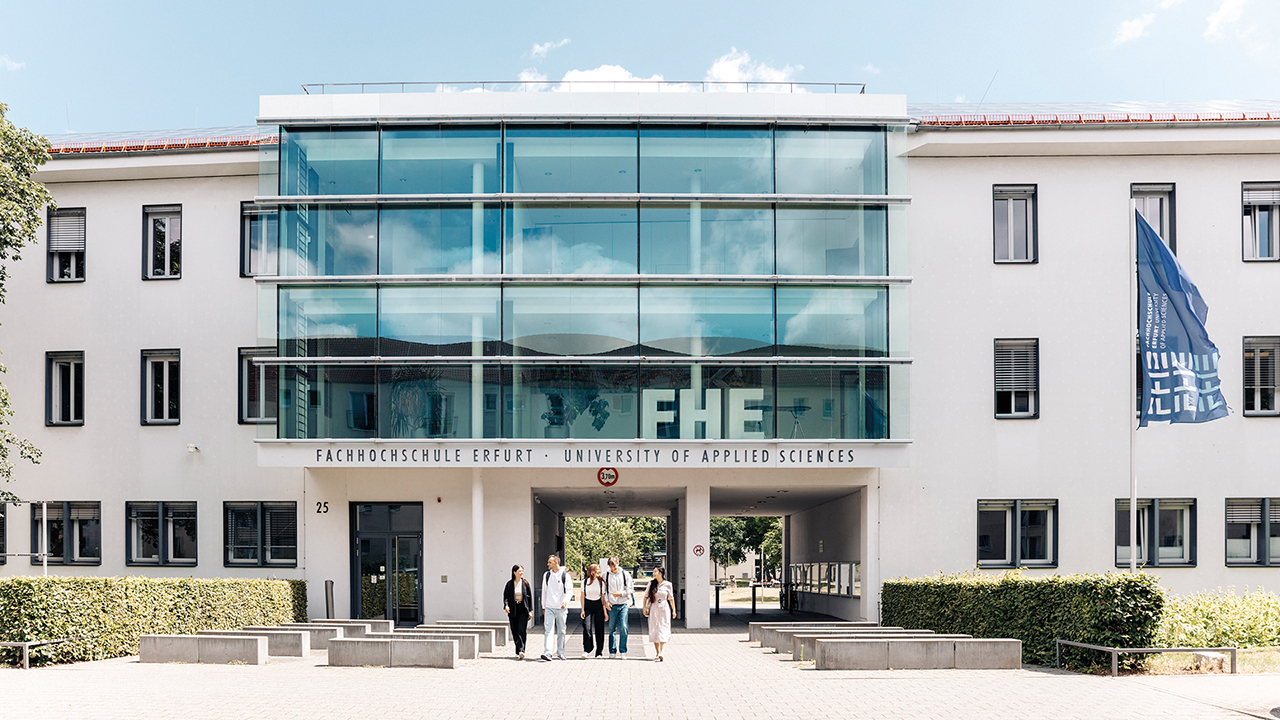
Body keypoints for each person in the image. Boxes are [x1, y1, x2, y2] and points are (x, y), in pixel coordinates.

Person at [540, 554, 572, 661]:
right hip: (549, 606)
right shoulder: (547, 575)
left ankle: (560, 652)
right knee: (548, 630)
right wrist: (544, 606)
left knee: (561, 630)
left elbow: (569, 591)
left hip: (561, 608)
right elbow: (544, 591)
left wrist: (565, 601)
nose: (547, 564)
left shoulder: (565, 575)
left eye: (550, 562)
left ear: (556, 563)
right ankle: (548, 652)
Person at [642, 566, 676, 662]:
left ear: (661, 573)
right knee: (654, 628)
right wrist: (644, 607)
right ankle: (657, 653)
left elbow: (671, 598)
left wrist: (674, 610)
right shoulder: (651, 584)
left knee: (664, 628)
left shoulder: (668, 584)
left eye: (655, 571)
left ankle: (662, 652)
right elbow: (645, 597)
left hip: (664, 608)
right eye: (653, 571)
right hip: (654, 608)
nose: (653, 573)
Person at [603, 556, 633, 658]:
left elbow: (630, 589)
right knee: (611, 629)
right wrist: (607, 601)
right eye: (611, 567)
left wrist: (620, 594)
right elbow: (604, 591)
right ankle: (612, 650)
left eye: (614, 567)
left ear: (618, 563)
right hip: (612, 604)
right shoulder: (606, 575)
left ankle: (623, 650)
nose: (613, 569)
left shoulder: (625, 574)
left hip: (623, 604)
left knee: (624, 627)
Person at [503, 564, 533, 660]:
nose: (521, 573)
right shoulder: (509, 584)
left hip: (523, 609)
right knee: (514, 630)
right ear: (514, 572)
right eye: (519, 571)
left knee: (521, 629)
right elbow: (506, 597)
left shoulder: (525, 583)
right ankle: (517, 650)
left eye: (522, 571)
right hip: (513, 609)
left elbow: (529, 598)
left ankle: (522, 650)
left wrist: (530, 610)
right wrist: (506, 605)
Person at [578, 563, 606, 658]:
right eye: (597, 570)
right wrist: (582, 610)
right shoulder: (584, 582)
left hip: (598, 605)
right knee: (586, 627)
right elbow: (582, 597)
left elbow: (603, 598)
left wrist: (605, 612)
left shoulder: (601, 582)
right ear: (592, 571)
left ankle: (599, 652)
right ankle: (587, 649)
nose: (599, 572)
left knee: (599, 629)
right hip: (588, 605)